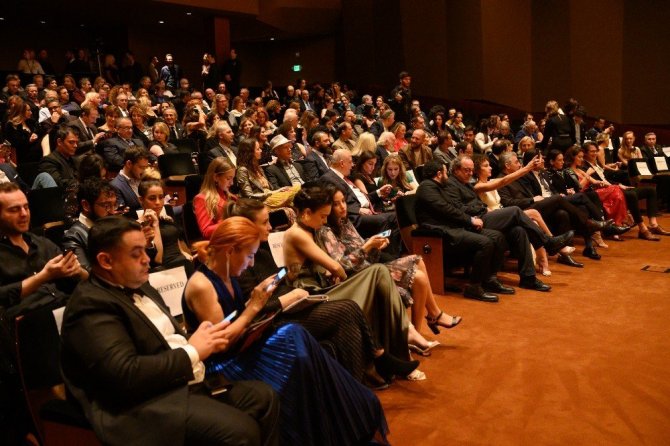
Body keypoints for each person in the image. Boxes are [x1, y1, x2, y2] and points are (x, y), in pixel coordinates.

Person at [60, 216, 280, 446]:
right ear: (106, 261)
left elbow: (165, 339)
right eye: (136, 254)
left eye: (145, 250)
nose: (147, 259)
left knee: (265, 399)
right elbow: (125, 374)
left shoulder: (141, 284)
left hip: (178, 381)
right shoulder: (90, 305)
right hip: (140, 404)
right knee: (241, 431)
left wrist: (198, 340)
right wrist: (193, 350)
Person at [182, 217, 390, 445]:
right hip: (224, 366)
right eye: (250, 256)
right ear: (230, 251)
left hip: (242, 350)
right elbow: (222, 343)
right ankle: (344, 417)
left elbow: (236, 318)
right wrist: (254, 307)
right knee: (293, 336)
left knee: (297, 339)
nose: (251, 264)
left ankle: (340, 419)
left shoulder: (227, 274)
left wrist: (257, 302)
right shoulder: (202, 285)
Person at [317, 186, 462, 352]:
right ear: (327, 207)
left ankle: (423, 324)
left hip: (369, 268)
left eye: (343, 201)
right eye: (336, 204)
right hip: (360, 278)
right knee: (419, 277)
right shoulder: (325, 231)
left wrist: (374, 246)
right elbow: (342, 267)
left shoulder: (344, 222)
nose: (343, 206)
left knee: (418, 260)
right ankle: (427, 321)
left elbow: (364, 253)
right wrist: (367, 247)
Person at [473, 153, 578, 275]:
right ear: (477, 170)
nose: (490, 167)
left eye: (489, 165)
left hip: (503, 213)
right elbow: (504, 180)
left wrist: (528, 168)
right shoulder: (478, 186)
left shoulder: (492, 181)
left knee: (533, 218)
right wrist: (528, 167)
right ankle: (551, 243)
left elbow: (510, 178)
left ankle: (548, 252)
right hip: (496, 217)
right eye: (486, 166)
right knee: (533, 213)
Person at [0, 182, 84, 319]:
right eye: (14, 210)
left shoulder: (41, 243)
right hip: (28, 319)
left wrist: (77, 270)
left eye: (26, 207)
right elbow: (2, 296)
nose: (24, 214)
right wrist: (43, 277)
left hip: (65, 308)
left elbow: (76, 282)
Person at [582, 141, 669, 240]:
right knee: (631, 195)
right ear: (585, 153)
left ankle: (653, 225)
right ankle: (643, 229)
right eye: (592, 151)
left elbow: (606, 179)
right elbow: (596, 183)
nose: (595, 153)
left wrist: (619, 184)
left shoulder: (596, 164)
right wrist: (617, 186)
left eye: (596, 151)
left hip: (614, 188)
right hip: (606, 193)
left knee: (650, 190)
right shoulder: (584, 167)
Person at [138, 179, 194, 274]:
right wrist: (155, 225)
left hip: (183, 261)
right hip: (165, 271)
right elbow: (158, 259)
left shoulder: (166, 218)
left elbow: (175, 240)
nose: (158, 202)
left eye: (161, 197)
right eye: (152, 198)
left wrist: (184, 253)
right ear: (141, 200)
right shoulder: (139, 226)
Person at [235, 137, 300, 209]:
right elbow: (248, 196)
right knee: (297, 189)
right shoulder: (242, 170)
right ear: (250, 152)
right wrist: (274, 192)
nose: (261, 151)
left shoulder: (258, 167)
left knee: (293, 194)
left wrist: (278, 191)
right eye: (258, 149)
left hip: (271, 197)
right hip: (260, 201)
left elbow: (270, 189)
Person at [194, 157, 237, 239]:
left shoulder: (232, 197)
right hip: (219, 243)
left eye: (233, 178)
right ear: (216, 177)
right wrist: (230, 222)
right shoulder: (202, 199)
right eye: (228, 178)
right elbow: (206, 231)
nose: (232, 183)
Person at [109, 147, 150, 211]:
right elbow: (122, 213)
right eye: (141, 167)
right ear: (129, 164)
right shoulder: (115, 186)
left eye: (146, 167)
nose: (144, 171)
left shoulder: (145, 179)